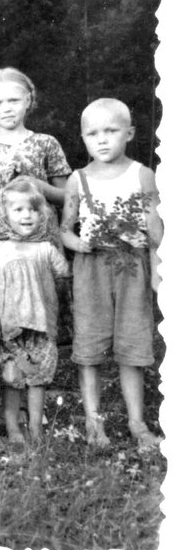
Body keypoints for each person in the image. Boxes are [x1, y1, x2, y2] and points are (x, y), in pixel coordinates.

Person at [60, 98, 163, 450]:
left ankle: (137, 422)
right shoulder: (78, 179)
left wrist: (155, 267)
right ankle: (94, 423)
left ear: (129, 133)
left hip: (131, 266)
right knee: (90, 345)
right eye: (93, 134)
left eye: (111, 131)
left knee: (132, 344)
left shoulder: (142, 175)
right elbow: (64, 230)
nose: (102, 140)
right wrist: (79, 244)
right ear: (83, 139)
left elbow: (155, 228)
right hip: (92, 269)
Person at [0, 179, 70, 445]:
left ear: (42, 214)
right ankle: (13, 429)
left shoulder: (46, 249)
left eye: (32, 209)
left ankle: (36, 428)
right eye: (18, 210)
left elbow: (64, 278)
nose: (26, 215)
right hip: (9, 328)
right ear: (4, 215)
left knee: (38, 378)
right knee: (12, 377)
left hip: (41, 327)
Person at [0, 67, 71, 232]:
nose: (7, 108)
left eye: (14, 101)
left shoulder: (46, 143)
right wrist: (5, 193)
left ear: (27, 100)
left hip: (43, 238)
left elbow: (67, 197)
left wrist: (37, 185)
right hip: (0, 240)